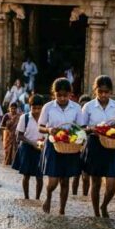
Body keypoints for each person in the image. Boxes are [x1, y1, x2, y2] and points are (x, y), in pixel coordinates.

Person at [38, 78, 86, 215]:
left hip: (70, 146)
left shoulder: (76, 108)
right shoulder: (48, 107)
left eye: (65, 95)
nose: (62, 98)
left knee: (65, 181)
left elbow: (81, 127)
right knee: (53, 181)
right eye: (59, 95)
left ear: (70, 94)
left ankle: (62, 210)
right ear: (54, 94)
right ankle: (48, 196)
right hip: (53, 145)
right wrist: (48, 130)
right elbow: (40, 126)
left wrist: (78, 136)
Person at [81, 76, 115, 218]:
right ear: (95, 91)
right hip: (95, 144)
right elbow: (82, 128)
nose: (103, 95)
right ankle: (96, 213)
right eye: (100, 92)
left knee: (112, 185)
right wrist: (93, 129)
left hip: (112, 146)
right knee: (96, 182)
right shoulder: (88, 107)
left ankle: (104, 205)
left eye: (106, 92)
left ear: (111, 92)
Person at [13, 95, 46, 200]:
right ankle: (26, 197)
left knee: (39, 176)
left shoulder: (46, 119)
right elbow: (20, 135)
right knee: (26, 175)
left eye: (39, 108)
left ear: (42, 107)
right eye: (34, 108)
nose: (36, 111)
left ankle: (37, 198)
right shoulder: (25, 117)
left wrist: (41, 144)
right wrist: (32, 143)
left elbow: (48, 134)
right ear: (30, 107)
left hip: (40, 148)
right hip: (27, 148)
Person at [72, 95, 92, 196]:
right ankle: (74, 195)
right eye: (82, 104)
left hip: (88, 149)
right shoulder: (76, 119)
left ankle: (85, 195)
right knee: (76, 175)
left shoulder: (91, 120)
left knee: (86, 175)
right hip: (76, 149)